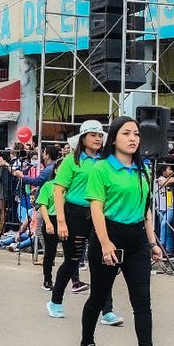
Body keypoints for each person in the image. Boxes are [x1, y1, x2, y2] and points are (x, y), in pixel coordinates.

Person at [80, 116, 168, 346]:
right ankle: (86, 344)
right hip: (109, 235)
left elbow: (145, 209)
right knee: (98, 296)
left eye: (136, 134)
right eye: (126, 133)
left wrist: (151, 242)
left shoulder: (142, 170)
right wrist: (105, 243)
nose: (133, 139)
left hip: (137, 239)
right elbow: (96, 208)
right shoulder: (102, 168)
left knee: (142, 300)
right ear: (114, 138)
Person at [48, 121, 123, 326]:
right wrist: (61, 221)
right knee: (72, 260)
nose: (98, 139)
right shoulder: (71, 161)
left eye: (100, 135)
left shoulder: (106, 161)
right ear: (83, 138)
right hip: (75, 214)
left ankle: (107, 310)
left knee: (104, 262)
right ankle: (55, 301)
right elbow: (58, 190)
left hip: (99, 214)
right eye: (93, 135)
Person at [36, 177, 59, 290]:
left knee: (72, 253)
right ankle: (47, 279)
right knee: (50, 253)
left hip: (68, 218)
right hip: (52, 218)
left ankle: (75, 280)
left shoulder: (71, 185)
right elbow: (42, 205)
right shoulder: (48, 185)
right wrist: (48, 222)